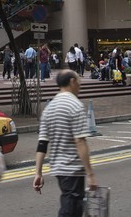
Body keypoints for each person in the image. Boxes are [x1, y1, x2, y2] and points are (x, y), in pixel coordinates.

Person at [33, 70, 97, 216]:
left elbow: (42, 143)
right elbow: (80, 141)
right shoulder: (75, 105)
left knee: (71, 207)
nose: (80, 86)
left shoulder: (49, 108)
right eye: (79, 82)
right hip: (72, 168)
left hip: (59, 170)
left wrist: (38, 173)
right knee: (71, 210)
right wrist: (90, 173)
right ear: (72, 82)